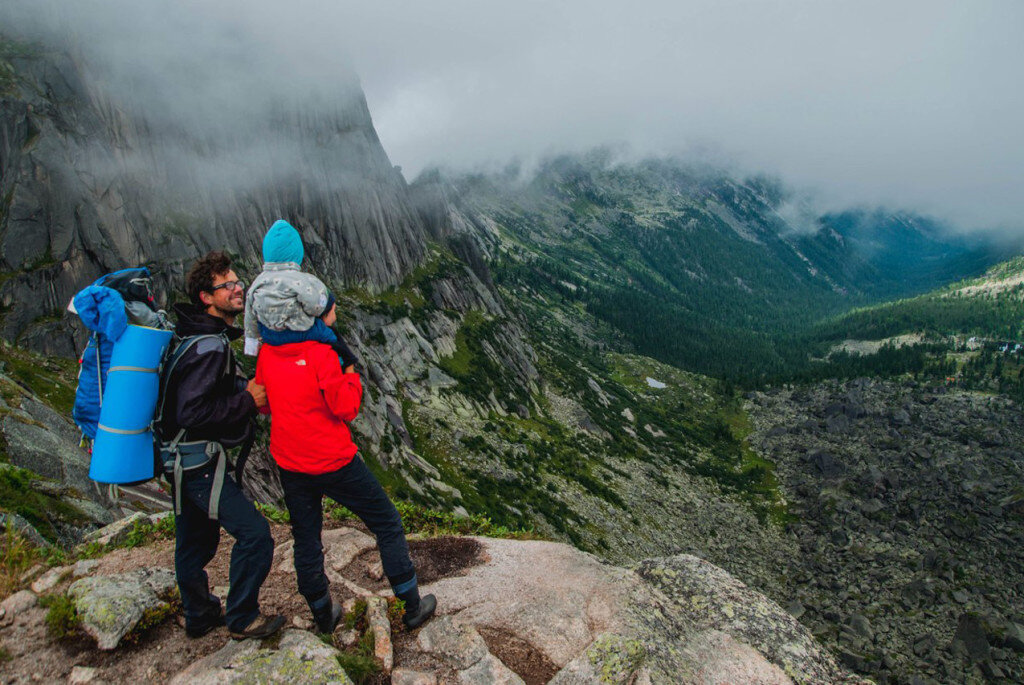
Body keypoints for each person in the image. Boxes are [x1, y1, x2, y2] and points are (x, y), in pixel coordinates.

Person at [255, 291, 436, 633]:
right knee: (387, 522)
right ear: (316, 315)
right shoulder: (324, 354)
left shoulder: (268, 352)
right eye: (332, 307)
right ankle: (412, 607)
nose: (336, 310)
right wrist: (350, 372)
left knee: (307, 539)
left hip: (291, 463)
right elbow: (347, 408)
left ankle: (323, 614)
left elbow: (264, 405)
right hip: (334, 460)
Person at [158, 251, 285, 640]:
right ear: (205, 298)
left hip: (177, 458)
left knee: (196, 540)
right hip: (196, 462)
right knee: (255, 536)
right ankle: (243, 616)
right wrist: (248, 400)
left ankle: (198, 614)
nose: (237, 289)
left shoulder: (195, 336)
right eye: (226, 286)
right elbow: (193, 411)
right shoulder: (209, 347)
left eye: (236, 282)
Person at [244, 219, 358, 371]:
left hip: (271, 336)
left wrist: (252, 345)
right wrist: (324, 305)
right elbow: (315, 306)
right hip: (299, 331)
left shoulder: (257, 282)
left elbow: (249, 315)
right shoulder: (300, 280)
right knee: (331, 337)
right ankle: (343, 362)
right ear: (296, 252)